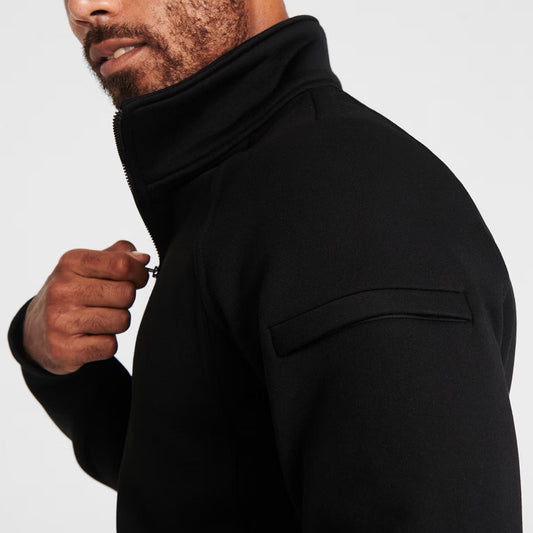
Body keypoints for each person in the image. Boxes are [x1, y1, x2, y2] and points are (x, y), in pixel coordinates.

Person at [8, 0, 522, 531]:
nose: (83, 7)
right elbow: (208, 486)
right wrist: (59, 361)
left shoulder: (342, 202)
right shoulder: (246, 188)